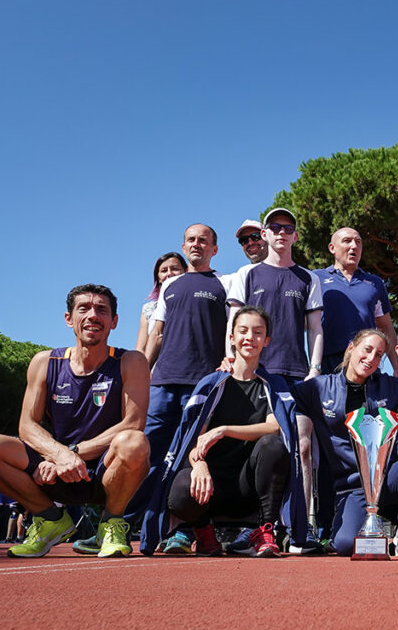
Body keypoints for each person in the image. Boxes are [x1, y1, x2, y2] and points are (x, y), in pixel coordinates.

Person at [0, 284, 150, 558]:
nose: (92, 315)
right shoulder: (45, 362)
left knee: (135, 442)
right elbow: (27, 425)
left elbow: (133, 423)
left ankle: (111, 524)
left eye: (102, 310)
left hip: (107, 471)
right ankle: (50, 520)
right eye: (83, 309)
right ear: (68, 319)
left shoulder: (131, 361)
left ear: (114, 321)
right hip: (55, 474)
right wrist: (57, 455)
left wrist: (72, 454)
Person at [160, 307, 292, 557]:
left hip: (250, 487)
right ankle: (204, 531)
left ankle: (264, 531)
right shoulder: (212, 383)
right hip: (212, 486)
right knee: (179, 491)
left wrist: (224, 430)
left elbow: (275, 427)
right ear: (231, 337)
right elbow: (192, 440)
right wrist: (198, 465)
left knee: (272, 446)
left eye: (257, 332)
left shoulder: (273, 384)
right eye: (243, 331)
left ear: (266, 341)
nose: (249, 338)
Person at [291, 329, 398, 556]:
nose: (371, 359)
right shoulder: (319, 388)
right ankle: (368, 529)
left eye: (378, 355)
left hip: (388, 477)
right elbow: (284, 393)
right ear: (351, 348)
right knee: (347, 545)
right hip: (353, 486)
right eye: (367, 350)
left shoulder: (390, 386)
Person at [228, 207, 323, 550]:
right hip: (254, 375)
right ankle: (252, 525)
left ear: (296, 236)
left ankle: (303, 525)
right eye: (274, 228)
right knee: (253, 446)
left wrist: (314, 369)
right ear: (264, 235)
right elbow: (234, 321)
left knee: (303, 443)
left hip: (295, 376)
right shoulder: (246, 275)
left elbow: (315, 329)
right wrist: (232, 358)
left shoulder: (308, 279)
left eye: (288, 228)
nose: (281, 233)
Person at [138, 225, 234, 553]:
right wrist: (142, 374)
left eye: (203, 240)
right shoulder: (171, 285)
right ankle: (132, 527)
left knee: (190, 459)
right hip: (162, 383)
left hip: (202, 384)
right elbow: (157, 335)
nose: (197, 244)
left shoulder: (226, 282)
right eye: (191, 240)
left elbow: (234, 327)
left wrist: (228, 358)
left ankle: (184, 531)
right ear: (183, 245)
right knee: (148, 457)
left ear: (214, 249)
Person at [315, 226, 398, 374]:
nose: (354, 246)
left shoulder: (375, 283)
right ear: (332, 248)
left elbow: (386, 327)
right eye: (347, 241)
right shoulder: (316, 278)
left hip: (367, 362)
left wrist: (397, 369)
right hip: (327, 363)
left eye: (358, 242)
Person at [134, 252, 187, 353]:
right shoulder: (149, 309)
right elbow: (140, 349)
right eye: (164, 270)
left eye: (175, 269)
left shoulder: (194, 301)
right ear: (158, 278)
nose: (169, 273)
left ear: (186, 272)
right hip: (155, 366)